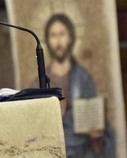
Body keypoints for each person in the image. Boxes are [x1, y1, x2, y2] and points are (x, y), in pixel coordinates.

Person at [44, 13, 115, 158]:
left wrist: (96, 132)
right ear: (47, 40)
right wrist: (57, 114)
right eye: (53, 35)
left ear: (70, 38)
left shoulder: (83, 78)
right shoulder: (41, 82)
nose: (58, 41)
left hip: (83, 150)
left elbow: (95, 117)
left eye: (62, 34)